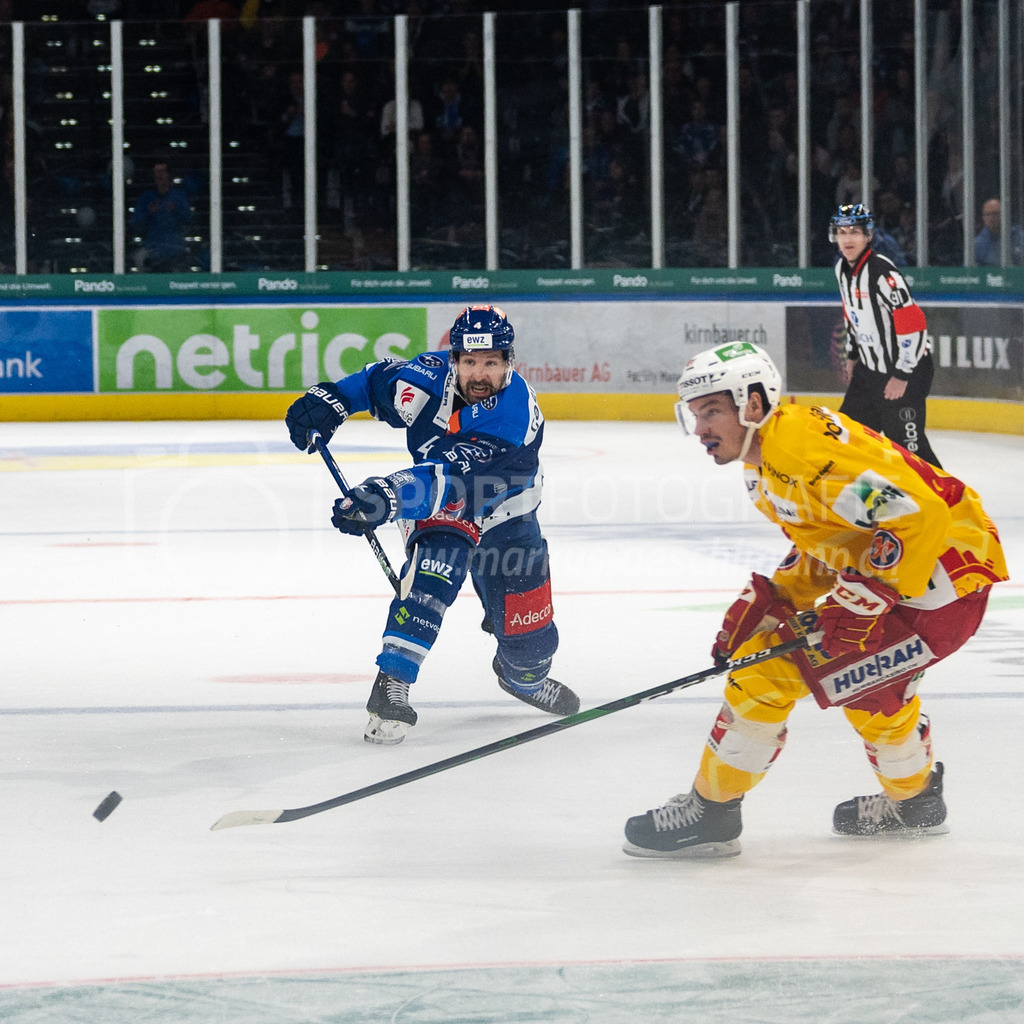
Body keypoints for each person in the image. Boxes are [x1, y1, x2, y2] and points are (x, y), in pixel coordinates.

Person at [624, 342, 1009, 858]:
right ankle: (915, 803)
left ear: (753, 404)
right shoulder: (766, 466)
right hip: (928, 581)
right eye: (694, 414)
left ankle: (712, 812)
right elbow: (837, 540)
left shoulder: (800, 454)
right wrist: (780, 597)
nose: (700, 429)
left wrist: (862, 601)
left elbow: (919, 516)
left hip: (940, 590)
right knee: (868, 690)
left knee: (762, 674)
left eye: (711, 411)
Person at [284, 305, 579, 745]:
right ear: (454, 359)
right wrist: (332, 402)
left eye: (492, 363)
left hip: (508, 517)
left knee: (531, 645)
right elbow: (372, 382)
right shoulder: (425, 378)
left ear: (509, 362)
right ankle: (392, 683)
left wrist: (387, 494)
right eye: (470, 361)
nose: (480, 374)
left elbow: (452, 477)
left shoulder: (513, 415)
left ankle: (522, 677)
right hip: (442, 503)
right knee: (434, 573)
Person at [830, 203, 942, 468]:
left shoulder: (882, 272)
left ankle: (946, 494)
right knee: (846, 438)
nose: (847, 239)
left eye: (854, 232)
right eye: (842, 232)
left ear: (868, 235)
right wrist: (853, 355)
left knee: (909, 452)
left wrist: (902, 374)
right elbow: (852, 315)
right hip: (869, 372)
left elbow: (913, 323)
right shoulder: (841, 269)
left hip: (907, 371)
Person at [130, 161, 193, 273]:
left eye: (162, 172)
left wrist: (175, 210)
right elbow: (135, 222)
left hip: (175, 251)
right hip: (152, 251)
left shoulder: (179, 196)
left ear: (169, 175)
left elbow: (189, 219)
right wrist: (149, 212)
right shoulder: (147, 197)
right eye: (156, 172)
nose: (159, 175)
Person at [974, 197, 1024, 266]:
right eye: (987, 214)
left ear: (1004, 214)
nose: (991, 218)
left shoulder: (1019, 236)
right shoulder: (978, 243)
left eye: (995, 213)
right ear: (983, 217)